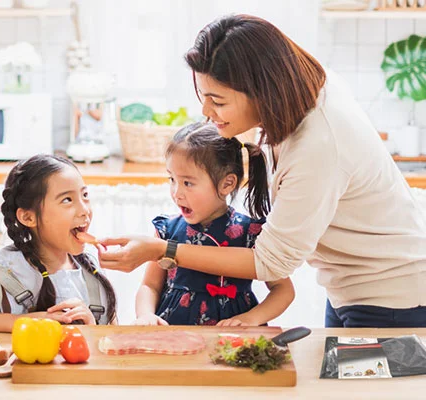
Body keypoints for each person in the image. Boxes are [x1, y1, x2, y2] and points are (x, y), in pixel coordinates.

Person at [98, 14, 426, 328]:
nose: (206, 111)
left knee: (363, 388)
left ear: (263, 92)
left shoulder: (319, 144)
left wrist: (161, 250)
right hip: (349, 291)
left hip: (391, 300)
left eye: (218, 101)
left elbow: (272, 263)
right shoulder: (299, 93)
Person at [134, 123, 294, 326]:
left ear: (227, 183)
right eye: (172, 179)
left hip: (232, 340)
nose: (176, 192)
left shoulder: (250, 233)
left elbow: (284, 289)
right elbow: (150, 286)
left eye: (187, 183)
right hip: (174, 334)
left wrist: (250, 319)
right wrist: (145, 314)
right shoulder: (167, 230)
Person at [0, 155, 117, 332]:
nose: (85, 210)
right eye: (67, 200)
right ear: (28, 217)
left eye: (85, 195)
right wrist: (23, 321)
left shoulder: (93, 271)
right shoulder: (8, 269)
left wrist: (90, 328)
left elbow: (111, 341)